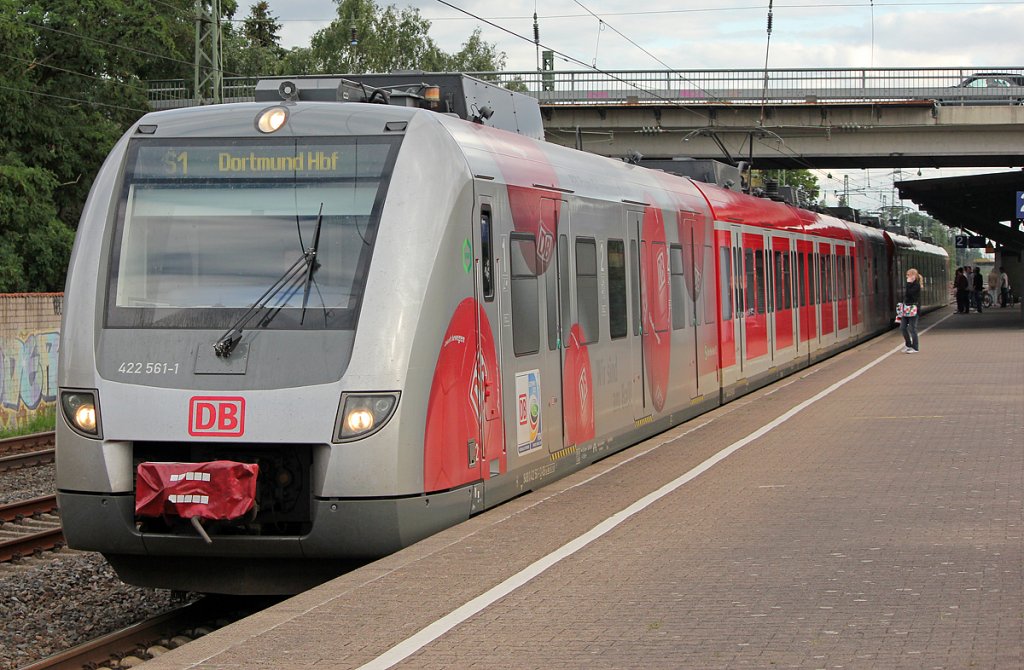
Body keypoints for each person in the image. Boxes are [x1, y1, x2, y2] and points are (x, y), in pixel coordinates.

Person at [901, 268, 921, 353]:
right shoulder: (909, 284)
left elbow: (910, 294)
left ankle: (915, 347)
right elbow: (906, 294)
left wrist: (909, 283)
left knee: (912, 328)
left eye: (908, 275)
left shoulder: (917, 285)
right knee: (902, 327)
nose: (907, 277)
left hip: (914, 308)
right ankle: (908, 344)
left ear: (914, 276)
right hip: (906, 308)